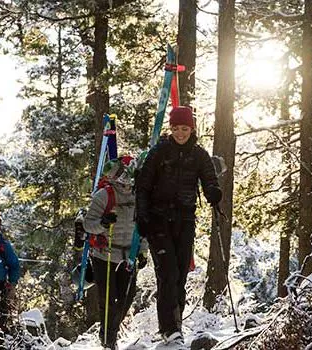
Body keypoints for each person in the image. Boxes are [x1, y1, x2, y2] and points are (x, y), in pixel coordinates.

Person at [135, 106, 222, 345]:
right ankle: (168, 328)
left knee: (180, 275)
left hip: (185, 220)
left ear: (191, 129)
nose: (180, 133)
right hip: (158, 219)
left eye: (184, 129)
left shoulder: (199, 155)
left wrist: (214, 193)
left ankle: (176, 327)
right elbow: (142, 185)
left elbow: (209, 179)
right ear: (170, 129)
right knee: (168, 272)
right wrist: (142, 216)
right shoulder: (159, 152)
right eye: (176, 128)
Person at [83, 156, 148, 350]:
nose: (124, 178)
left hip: (129, 255)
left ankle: (111, 332)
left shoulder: (140, 197)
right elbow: (88, 224)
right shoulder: (104, 195)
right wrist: (103, 224)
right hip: (105, 255)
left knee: (126, 298)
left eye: (127, 173)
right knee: (108, 299)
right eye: (120, 174)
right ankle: (108, 340)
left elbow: (143, 227)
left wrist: (143, 252)